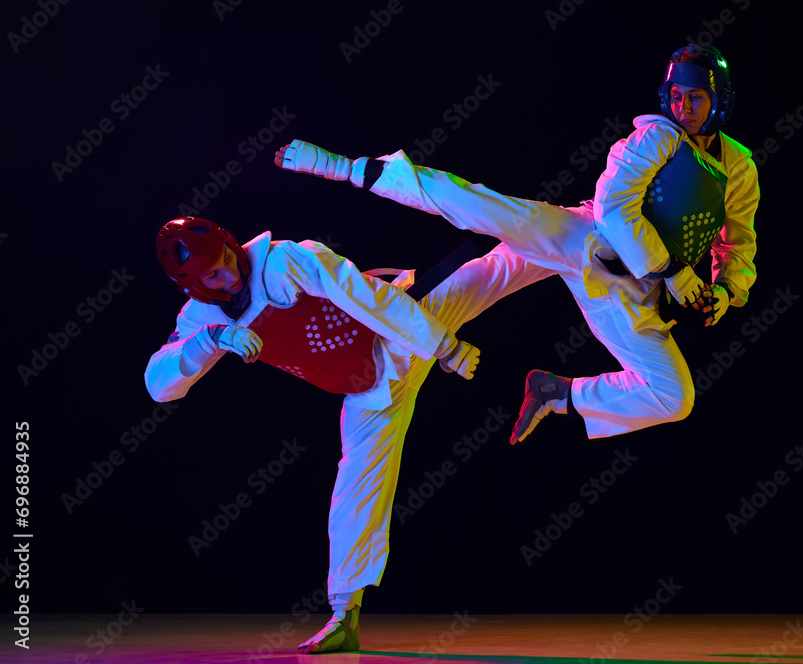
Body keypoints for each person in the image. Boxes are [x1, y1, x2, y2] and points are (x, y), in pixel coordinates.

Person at [274, 43, 758, 446]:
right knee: (490, 212)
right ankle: (352, 172)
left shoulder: (738, 166)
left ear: (720, 101)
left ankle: (556, 393)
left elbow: (738, 244)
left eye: (696, 98)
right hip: (584, 239)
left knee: (674, 398)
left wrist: (724, 290)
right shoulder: (656, 136)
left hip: (628, 292)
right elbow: (613, 209)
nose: (683, 108)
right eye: (676, 96)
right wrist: (674, 271)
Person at [144, 216, 550, 653]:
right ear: (194, 287)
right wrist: (210, 340)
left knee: (499, 270)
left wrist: (443, 346)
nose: (231, 272)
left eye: (228, 256)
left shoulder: (283, 261)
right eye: (214, 274)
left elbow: (363, 294)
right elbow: (158, 384)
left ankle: (585, 229)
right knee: (354, 489)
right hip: (370, 391)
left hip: (405, 328)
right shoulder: (201, 319)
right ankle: (344, 615)